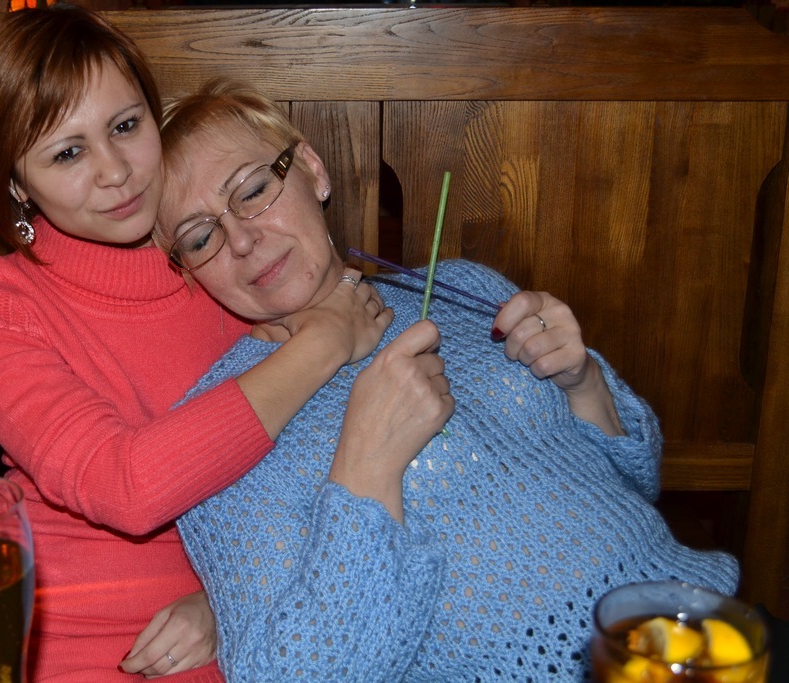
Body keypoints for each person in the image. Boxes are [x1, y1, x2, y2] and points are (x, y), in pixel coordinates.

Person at [154, 78, 741, 681]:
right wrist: (367, 467)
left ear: (312, 169)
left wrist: (583, 381)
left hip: (709, 622)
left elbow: (638, 483)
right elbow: (293, 672)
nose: (242, 239)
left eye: (254, 190)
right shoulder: (221, 426)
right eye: (200, 237)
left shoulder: (466, 287)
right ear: (186, 270)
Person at [0, 8, 392, 682]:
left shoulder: (227, 258)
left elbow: (342, 463)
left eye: (125, 126)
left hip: (254, 629)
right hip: (60, 641)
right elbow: (123, 486)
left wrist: (228, 601)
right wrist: (323, 342)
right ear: (17, 184)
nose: (116, 170)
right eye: (67, 153)